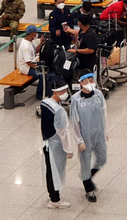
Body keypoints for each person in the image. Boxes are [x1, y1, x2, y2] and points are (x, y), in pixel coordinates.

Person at [70, 69, 108, 203]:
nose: (91, 83)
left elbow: (104, 113)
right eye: (87, 80)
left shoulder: (98, 95)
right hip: (85, 136)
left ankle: (88, 177)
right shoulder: (76, 100)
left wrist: (105, 131)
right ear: (81, 83)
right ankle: (89, 190)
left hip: (98, 132)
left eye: (92, 80)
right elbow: (74, 122)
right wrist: (79, 141)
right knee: (85, 163)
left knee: (102, 159)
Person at [40, 78, 75, 209]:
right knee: (56, 171)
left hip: (47, 143)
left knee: (50, 170)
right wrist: (68, 149)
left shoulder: (44, 103)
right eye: (63, 91)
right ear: (55, 92)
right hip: (56, 145)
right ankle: (55, 200)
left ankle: (52, 195)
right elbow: (62, 132)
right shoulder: (59, 111)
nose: (66, 93)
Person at [17, 24, 47, 100]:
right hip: (26, 68)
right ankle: (40, 95)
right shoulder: (25, 46)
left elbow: (36, 50)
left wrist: (41, 43)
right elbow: (28, 62)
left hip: (31, 64)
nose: (37, 34)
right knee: (42, 75)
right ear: (32, 33)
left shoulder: (30, 41)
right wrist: (39, 68)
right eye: (36, 32)